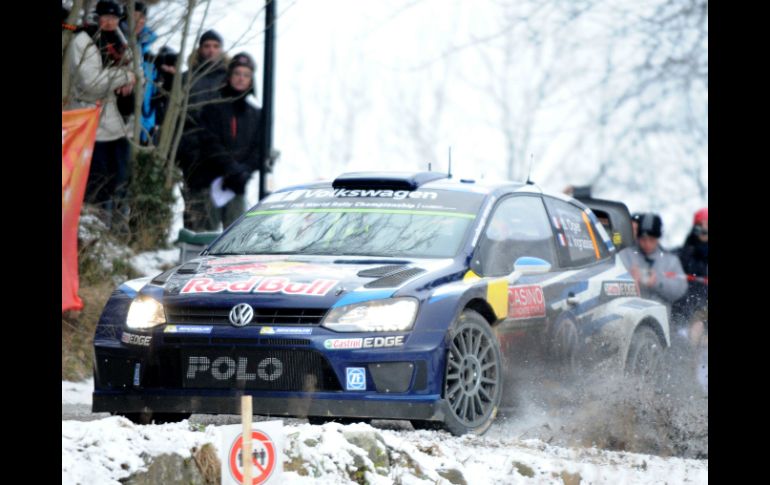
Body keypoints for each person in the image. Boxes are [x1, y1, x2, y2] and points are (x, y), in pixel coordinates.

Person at [65, 0, 138, 231]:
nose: (109, 22)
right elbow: (92, 84)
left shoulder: (121, 39)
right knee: (96, 187)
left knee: (120, 183)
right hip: (93, 127)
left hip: (120, 126)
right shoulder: (84, 40)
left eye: (114, 17)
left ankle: (116, 234)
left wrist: (129, 80)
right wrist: (124, 77)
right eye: (105, 17)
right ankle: (95, 233)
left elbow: (136, 71)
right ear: (97, 17)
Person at [190, 53, 264, 230]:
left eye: (246, 75)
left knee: (235, 235)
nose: (241, 78)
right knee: (205, 236)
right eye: (237, 73)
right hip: (210, 182)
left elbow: (259, 149)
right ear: (229, 76)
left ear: (251, 80)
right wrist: (230, 167)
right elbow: (209, 142)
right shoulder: (212, 108)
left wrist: (244, 171)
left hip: (238, 185)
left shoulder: (256, 115)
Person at [177, 29, 229, 230]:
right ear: (199, 49)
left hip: (220, 152)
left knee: (221, 202)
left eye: (215, 46)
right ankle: (192, 242)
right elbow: (177, 114)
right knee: (194, 202)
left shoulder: (230, 79)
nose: (211, 50)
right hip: (192, 151)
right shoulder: (186, 78)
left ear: (221, 50)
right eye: (207, 46)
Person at [619, 213, 688, 315]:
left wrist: (657, 282)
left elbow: (680, 290)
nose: (647, 244)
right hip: (630, 315)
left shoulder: (670, 261)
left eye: (651, 240)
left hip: (660, 318)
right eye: (643, 239)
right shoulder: (625, 255)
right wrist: (628, 278)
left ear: (658, 238)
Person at [120, 1, 158, 144]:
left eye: (142, 17)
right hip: (117, 121)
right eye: (135, 16)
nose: (139, 21)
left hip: (143, 124)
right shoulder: (116, 43)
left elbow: (151, 92)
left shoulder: (149, 51)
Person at [674, 208, 708, 347]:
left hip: (703, 306)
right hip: (688, 306)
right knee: (695, 330)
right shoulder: (684, 252)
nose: (704, 229)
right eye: (701, 225)